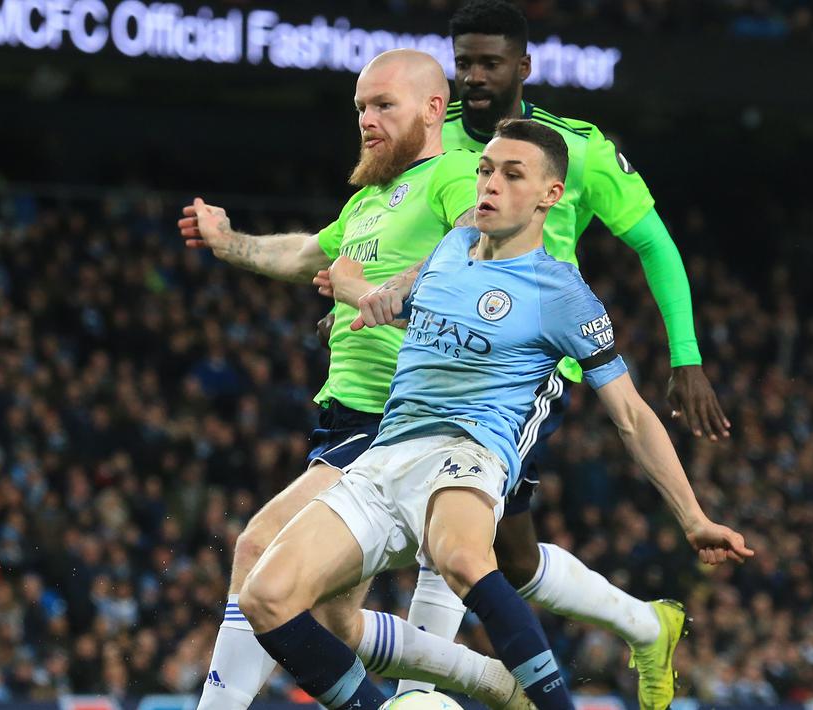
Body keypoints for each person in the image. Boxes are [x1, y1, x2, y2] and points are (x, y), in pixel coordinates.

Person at [240, 119, 753, 710]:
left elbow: (632, 416)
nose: (489, 185)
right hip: (384, 456)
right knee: (266, 597)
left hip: (470, 450)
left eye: (512, 175)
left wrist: (692, 518)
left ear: (549, 196)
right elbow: (426, 312)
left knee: (462, 557)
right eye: (485, 170)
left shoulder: (563, 295)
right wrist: (355, 290)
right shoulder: (451, 249)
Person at [312, 2, 731, 706]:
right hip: (415, 350)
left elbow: (653, 245)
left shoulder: (576, 147)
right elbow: (375, 230)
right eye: (464, 63)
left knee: (452, 527)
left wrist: (684, 356)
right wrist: (354, 303)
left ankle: (425, 693)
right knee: (513, 556)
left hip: (519, 370)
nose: (474, 77)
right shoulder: (425, 136)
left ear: (522, 67)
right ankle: (642, 625)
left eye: (489, 63)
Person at [180, 49, 540, 709]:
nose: (367, 121)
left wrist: (390, 292)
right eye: (360, 109)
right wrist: (228, 241)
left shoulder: (456, 174)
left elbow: (473, 231)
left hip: (395, 422)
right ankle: (488, 680)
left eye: (383, 106)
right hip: (344, 422)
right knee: (334, 621)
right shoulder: (370, 202)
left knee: (257, 549)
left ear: (434, 109)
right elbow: (302, 252)